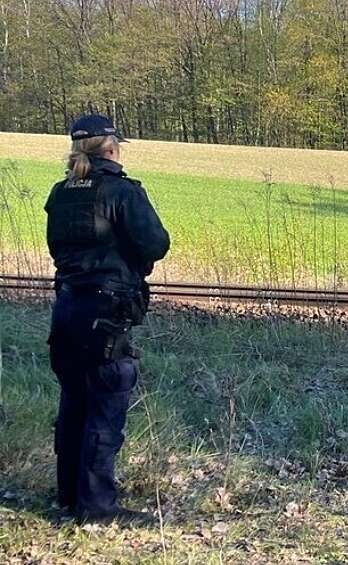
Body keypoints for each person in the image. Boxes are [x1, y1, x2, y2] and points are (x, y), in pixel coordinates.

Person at [45, 114, 170, 526]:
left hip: (66, 309)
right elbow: (157, 243)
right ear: (112, 147)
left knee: (74, 401)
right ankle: (97, 506)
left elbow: (58, 249)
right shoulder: (122, 192)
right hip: (106, 314)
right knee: (106, 403)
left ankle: (69, 496)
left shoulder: (60, 193)